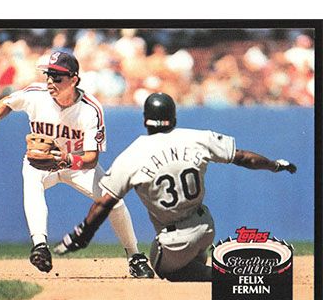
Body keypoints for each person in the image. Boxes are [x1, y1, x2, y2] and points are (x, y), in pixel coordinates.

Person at [54, 92, 297, 281]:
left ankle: (226, 275)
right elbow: (243, 157)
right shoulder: (198, 137)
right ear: (174, 117)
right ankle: (203, 264)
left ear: (145, 120)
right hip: (206, 227)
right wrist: (274, 165)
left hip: (174, 239)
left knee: (160, 265)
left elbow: (105, 203)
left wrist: (82, 235)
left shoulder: (132, 154)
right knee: (190, 259)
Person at [0, 51, 154, 279]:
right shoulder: (36, 95)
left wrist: (65, 159)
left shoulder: (90, 109)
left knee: (113, 202)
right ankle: (40, 246)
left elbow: (91, 159)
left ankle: (134, 256)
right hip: (41, 162)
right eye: (48, 75)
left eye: (57, 77)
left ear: (74, 80)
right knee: (32, 184)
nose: (50, 81)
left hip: (76, 164)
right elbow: (7, 102)